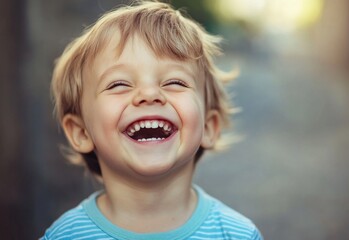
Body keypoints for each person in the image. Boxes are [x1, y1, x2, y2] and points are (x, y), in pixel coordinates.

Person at [41, 1, 263, 239]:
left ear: (209, 126)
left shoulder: (238, 234)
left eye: (174, 82)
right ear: (81, 132)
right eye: (119, 84)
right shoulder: (64, 236)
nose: (149, 94)